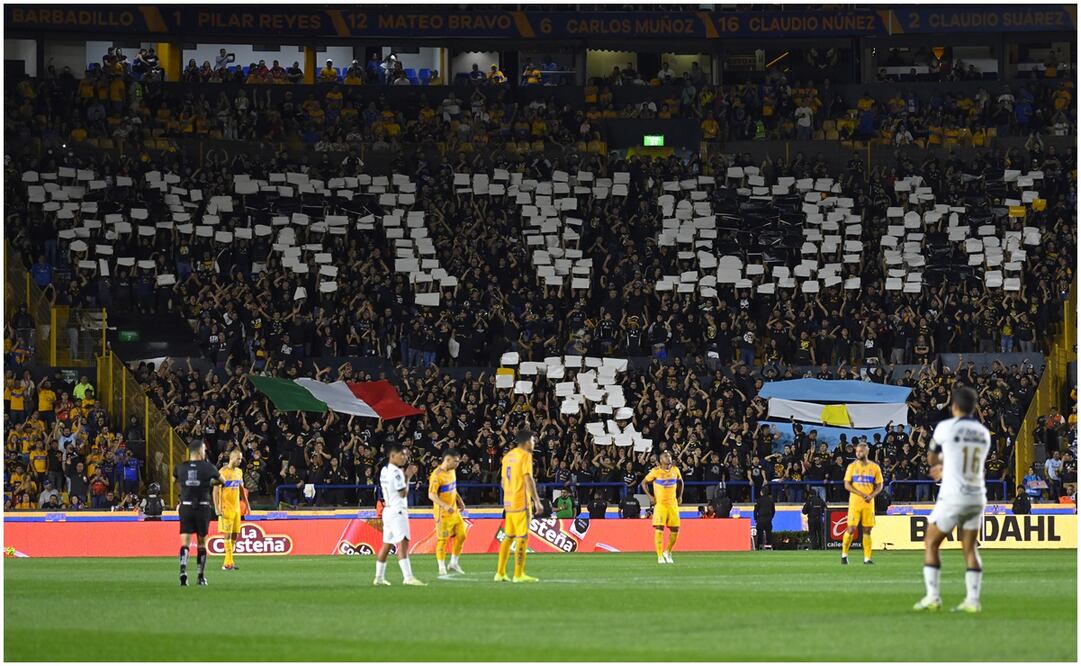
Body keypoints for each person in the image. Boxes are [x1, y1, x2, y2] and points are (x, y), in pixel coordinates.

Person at [914, 386, 991, 613]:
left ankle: (933, 597)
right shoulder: (983, 433)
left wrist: (938, 464)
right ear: (974, 407)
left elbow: (931, 457)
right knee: (969, 549)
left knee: (931, 542)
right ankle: (973, 600)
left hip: (953, 495)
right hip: (977, 495)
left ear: (954, 406)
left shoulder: (945, 427)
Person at [496, 429, 543, 583]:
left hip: (508, 503)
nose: (534, 442)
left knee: (508, 537)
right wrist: (537, 500)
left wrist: (510, 493)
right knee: (522, 538)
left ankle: (500, 573)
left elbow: (503, 482)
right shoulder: (525, 456)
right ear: (526, 442)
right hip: (521, 502)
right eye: (533, 440)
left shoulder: (508, 456)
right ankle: (518, 574)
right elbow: (528, 479)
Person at [374, 444, 424, 586]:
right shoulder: (396, 472)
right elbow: (403, 493)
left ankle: (378, 577)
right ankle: (408, 577)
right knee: (403, 543)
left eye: (405, 455)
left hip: (387, 510)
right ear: (393, 456)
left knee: (387, 544)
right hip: (397, 510)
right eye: (402, 455)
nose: (404, 457)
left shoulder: (384, 470)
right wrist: (407, 476)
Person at [174, 440, 223, 587]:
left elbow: (174, 481)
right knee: (201, 544)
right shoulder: (208, 467)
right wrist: (207, 483)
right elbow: (223, 481)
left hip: (186, 506)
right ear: (200, 451)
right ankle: (200, 577)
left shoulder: (180, 467)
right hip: (202, 507)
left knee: (185, 543)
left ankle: (183, 571)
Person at [842, 442, 883, 565]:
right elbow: (847, 485)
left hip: (869, 503)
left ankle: (867, 558)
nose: (858, 453)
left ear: (866, 452)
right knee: (851, 528)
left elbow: (880, 485)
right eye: (857, 451)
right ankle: (844, 555)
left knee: (867, 530)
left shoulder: (875, 467)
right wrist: (861, 494)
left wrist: (872, 495)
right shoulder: (852, 467)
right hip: (855, 503)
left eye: (860, 451)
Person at [427, 448, 467, 576]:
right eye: (456, 461)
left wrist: (460, 500)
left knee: (462, 535)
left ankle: (453, 563)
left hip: (454, 511)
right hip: (442, 514)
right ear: (447, 460)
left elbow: (452, 488)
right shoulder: (437, 475)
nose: (457, 464)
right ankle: (441, 567)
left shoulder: (452, 471)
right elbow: (431, 495)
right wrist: (444, 506)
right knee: (442, 540)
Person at [642, 450, 683, 565]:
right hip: (660, 505)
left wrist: (680, 496)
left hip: (673, 505)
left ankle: (668, 552)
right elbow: (643, 483)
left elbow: (681, 482)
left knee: (675, 529)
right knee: (659, 527)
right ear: (660, 460)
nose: (668, 457)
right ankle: (660, 556)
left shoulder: (675, 470)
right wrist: (650, 496)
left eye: (669, 456)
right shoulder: (655, 472)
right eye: (665, 456)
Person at [213, 448, 246, 571]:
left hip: (236, 508)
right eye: (238, 458)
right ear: (232, 458)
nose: (240, 461)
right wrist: (217, 508)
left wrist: (247, 506)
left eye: (241, 459)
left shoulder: (239, 472)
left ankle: (228, 562)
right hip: (226, 508)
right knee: (226, 536)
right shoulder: (222, 472)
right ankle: (228, 563)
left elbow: (241, 489)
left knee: (234, 536)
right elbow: (215, 491)